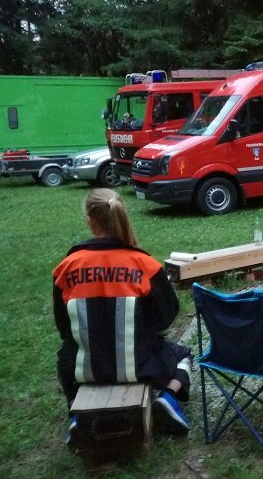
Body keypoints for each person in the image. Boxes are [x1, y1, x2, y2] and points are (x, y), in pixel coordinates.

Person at [52, 188, 191, 442]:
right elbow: (165, 319)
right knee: (183, 355)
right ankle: (168, 398)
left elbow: (63, 328)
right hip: (139, 367)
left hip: (84, 370)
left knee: (65, 357)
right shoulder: (145, 265)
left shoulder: (66, 268)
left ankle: (75, 413)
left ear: (90, 222)